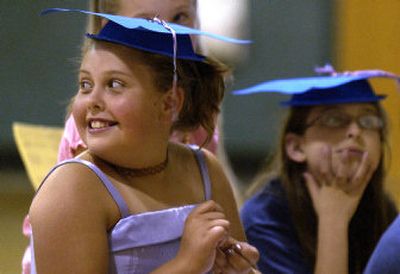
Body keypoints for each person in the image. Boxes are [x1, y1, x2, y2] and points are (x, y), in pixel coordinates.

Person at [29, 9, 258, 274]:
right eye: (85, 84)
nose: (92, 101)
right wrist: (187, 264)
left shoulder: (205, 169)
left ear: (169, 103)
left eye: (114, 84)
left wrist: (238, 268)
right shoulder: (72, 187)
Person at [237, 70, 399, 273]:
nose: (355, 131)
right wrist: (334, 220)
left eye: (368, 121)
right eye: (333, 120)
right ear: (296, 147)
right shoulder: (263, 218)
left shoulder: (382, 208)